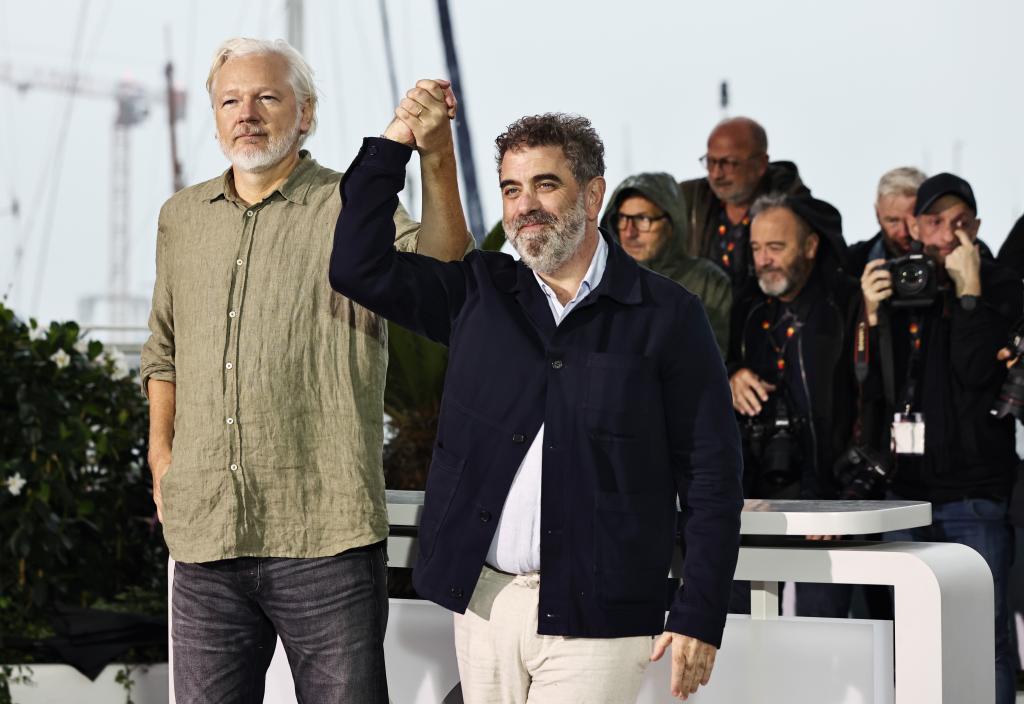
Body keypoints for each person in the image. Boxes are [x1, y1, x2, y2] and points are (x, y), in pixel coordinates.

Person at [329, 113, 744, 702]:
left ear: (593, 195)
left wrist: (699, 612)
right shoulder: (478, 292)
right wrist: (396, 141)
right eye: (511, 188)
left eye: (545, 184)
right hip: (483, 605)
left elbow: (711, 475)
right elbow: (356, 265)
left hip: (601, 616)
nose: (525, 205)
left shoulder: (669, 317)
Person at [139, 37, 469, 703]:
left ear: (306, 113)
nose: (246, 113)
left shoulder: (353, 204)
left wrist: (436, 158)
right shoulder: (180, 217)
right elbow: (163, 348)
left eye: (267, 97)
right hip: (204, 538)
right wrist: (161, 455)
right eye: (230, 100)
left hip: (325, 534)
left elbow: (441, 268)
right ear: (214, 116)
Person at [859, 173, 1021, 704]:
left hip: (976, 495)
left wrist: (970, 294)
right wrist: (871, 318)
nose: (949, 234)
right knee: (909, 639)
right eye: (935, 222)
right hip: (905, 495)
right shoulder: (904, 285)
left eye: (961, 222)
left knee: (986, 639)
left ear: (978, 226)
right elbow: (872, 389)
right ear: (915, 227)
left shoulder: (1001, 286)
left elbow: (976, 373)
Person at [726, 192, 858, 616]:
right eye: (756, 248)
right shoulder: (747, 305)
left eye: (776, 247)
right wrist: (732, 375)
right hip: (754, 498)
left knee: (825, 635)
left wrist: (844, 497)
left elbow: (868, 399)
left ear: (810, 246)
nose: (764, 260)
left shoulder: (845, 303)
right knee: (740, 631)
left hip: (827, 496)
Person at [599, 172, 732, 353]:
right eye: (623, 218)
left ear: (671, 224)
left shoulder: (709, 281)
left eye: (643, 219)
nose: (629, 233)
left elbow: (709, 359)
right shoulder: (598, 280)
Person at [679, 117, 811, 293]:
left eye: (729, 163)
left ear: (760, 164)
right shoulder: (690, 199)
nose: (716, 174)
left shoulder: (795, 209)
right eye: (710, 162)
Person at [847, 167, 927, 277]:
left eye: (913, 220)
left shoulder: (949, 258)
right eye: (893, 221)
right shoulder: (851, 263)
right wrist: (861, 289)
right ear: (877, 215)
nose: (903, 232)